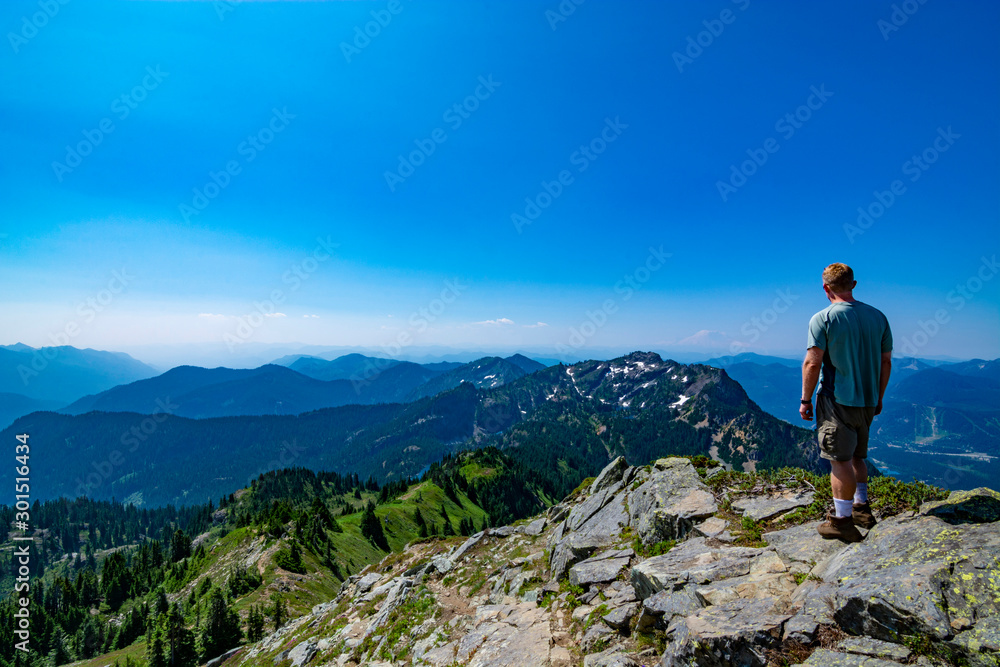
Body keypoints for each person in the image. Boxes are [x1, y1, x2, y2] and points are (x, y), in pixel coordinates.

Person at [800, 263, 892, 543]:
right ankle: (862, 508)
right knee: (857, 456)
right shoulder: (878, 317)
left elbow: (813, 362)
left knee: (839, 461)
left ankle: (842, 522)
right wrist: (878, 396)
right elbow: (885, 361)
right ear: (853, 284)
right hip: (867, 400)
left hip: (836, 399)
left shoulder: (823, 318)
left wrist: (805, 400)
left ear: (826, 288)